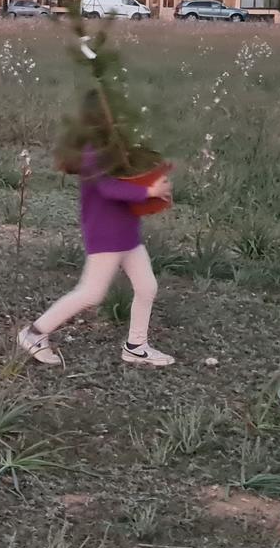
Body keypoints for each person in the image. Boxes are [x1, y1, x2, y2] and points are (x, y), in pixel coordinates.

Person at [17, 91, 175, 367]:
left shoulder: (114, 147)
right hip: (106, 234)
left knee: (147, 286)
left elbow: (127, 179)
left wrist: (150, 184)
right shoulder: (93, 151)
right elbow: (108, 187)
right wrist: (149, 190)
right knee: (91, 293)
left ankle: (136, 346)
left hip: (126, 232)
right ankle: (34, 333)